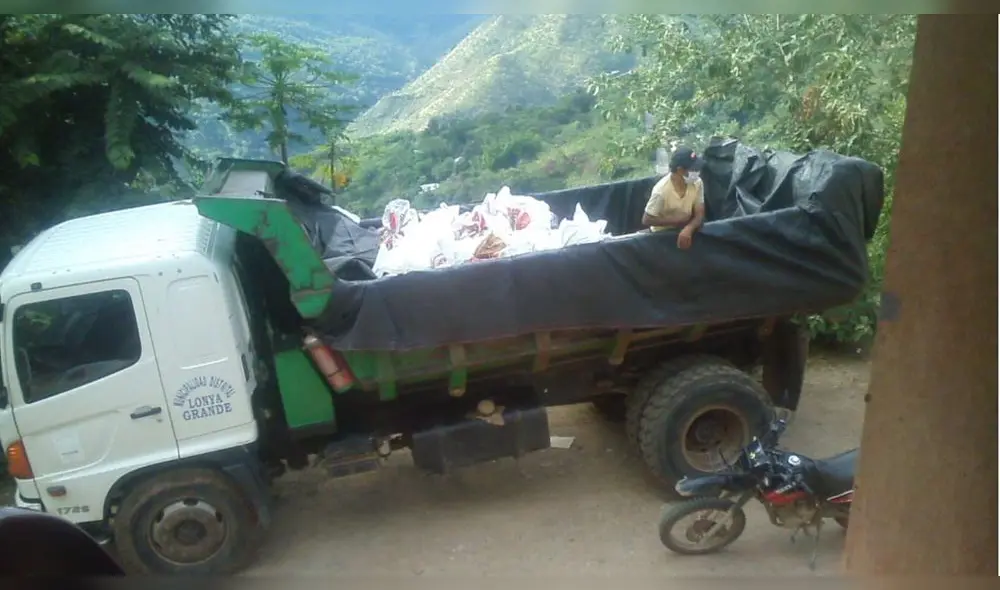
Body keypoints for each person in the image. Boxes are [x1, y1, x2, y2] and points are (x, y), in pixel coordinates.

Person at [642, 146, 706, 250]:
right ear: (680, 170)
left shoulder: (697, 183)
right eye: (694, 169)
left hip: (686, 229)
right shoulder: (661, 191)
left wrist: (689, 228)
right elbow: (647, 219)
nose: (697, 172)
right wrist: (676, 221)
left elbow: (700, 214)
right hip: (661, 236)